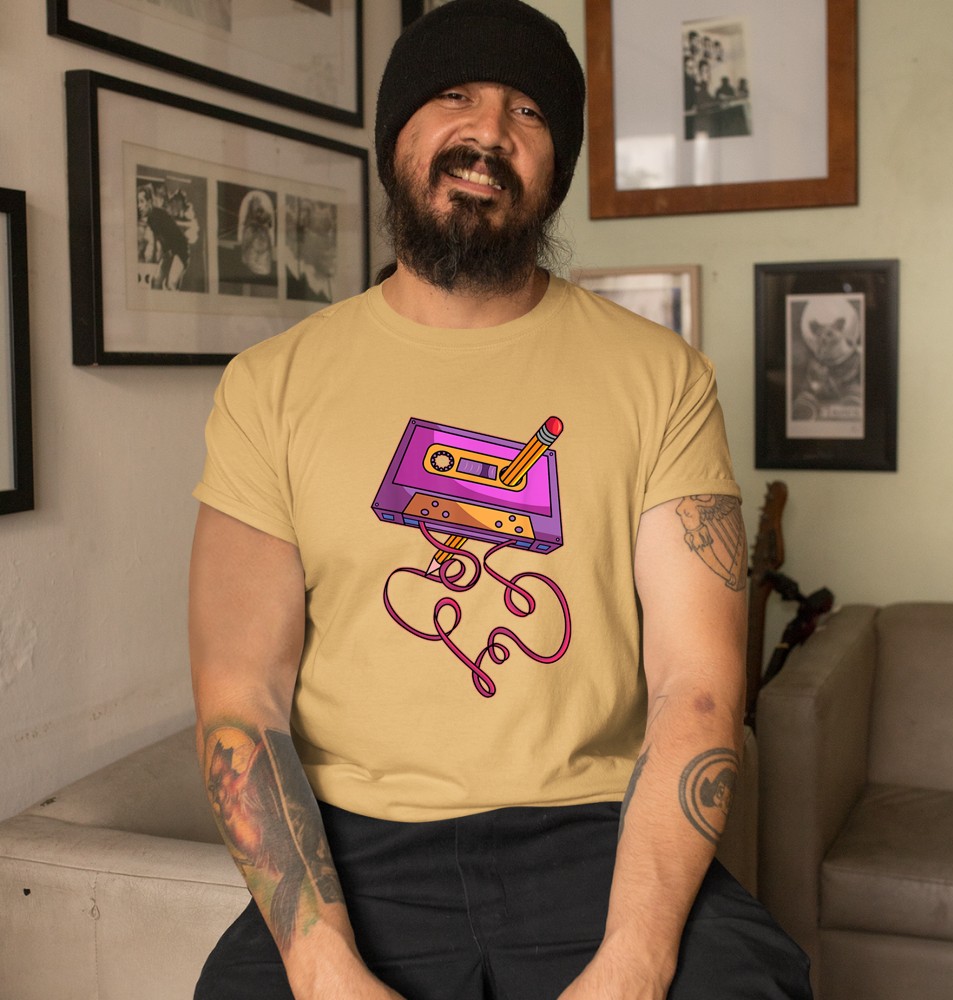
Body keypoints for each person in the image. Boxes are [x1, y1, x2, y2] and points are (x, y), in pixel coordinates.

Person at [188, 2, 812, 998]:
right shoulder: (270, 386)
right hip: (357, 845)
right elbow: (240, 698)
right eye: (453, 97)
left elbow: (696, 684)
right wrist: (321, 967)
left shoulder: (663, 378)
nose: (488, 132)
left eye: (527, 111)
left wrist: (636, 961)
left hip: (595, 832)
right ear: (395, 137)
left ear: (555, 169)